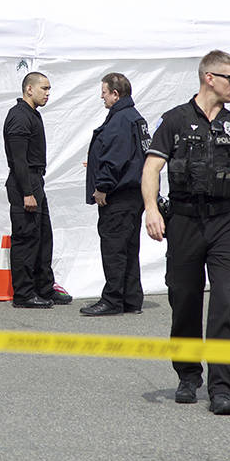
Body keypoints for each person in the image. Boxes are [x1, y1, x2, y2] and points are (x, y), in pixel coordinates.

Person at [142, 50, 230, 415]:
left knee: (225, 304)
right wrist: (151, 210)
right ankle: (188, 375)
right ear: (210, 78)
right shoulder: (174, 121)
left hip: (227, 225)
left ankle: (222, 388)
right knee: (184, 302)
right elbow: (151, 168)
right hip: (185, 222)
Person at [82, 72, 149, 316]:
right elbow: (133, 156)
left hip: (118, 197)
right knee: (130, 248)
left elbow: (115, 159)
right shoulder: (135, 118)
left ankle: (112, 300)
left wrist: (102, 187)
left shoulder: (120, 119)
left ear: (115, 93)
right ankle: (131, 299)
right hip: (134, 196)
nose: (102, 97)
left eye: (104, 93)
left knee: (114, 249)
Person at [2, 71, 70, 308]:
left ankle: (44, 288)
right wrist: (27, 192)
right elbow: (19, 160)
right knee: (26, 239)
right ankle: (24, 294)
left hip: (35, 182)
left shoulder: (32, 115)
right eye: (44, 88)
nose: (48, 94)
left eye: (49, 89)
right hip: (25, 183)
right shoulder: (19, 117)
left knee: (43, 237)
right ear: (29, 89)